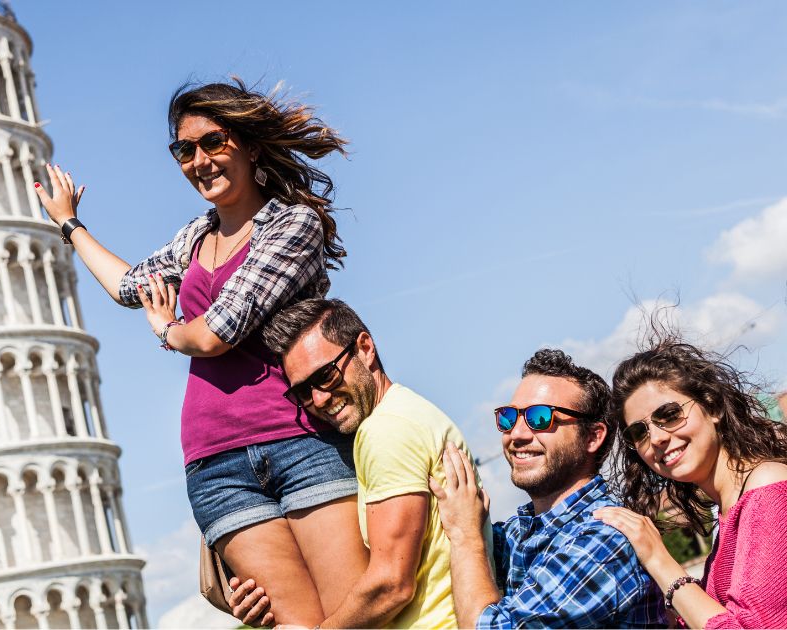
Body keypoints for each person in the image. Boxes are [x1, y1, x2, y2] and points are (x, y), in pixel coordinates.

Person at [35, 79, 367, 626]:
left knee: (354, 615)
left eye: (213, 142)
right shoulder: (192, 239)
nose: (199, 160)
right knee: (297, 625)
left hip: (298, 438)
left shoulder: (292, 226)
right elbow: (128, 288)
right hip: (214, 461)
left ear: (250, 144)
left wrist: (168, 330)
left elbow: (217, 332)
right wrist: (71, 226)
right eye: (184, 150)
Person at [229, 298, 486, 628]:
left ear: (365, 348)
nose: (319, 398)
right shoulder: (410, 414)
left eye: (325, 375)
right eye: (303, 392)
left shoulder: (385, 431)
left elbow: (391, 586)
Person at [430, 349, 665, 628]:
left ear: (592, 436)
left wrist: (466, 537)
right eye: (508, 417)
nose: (516, 434)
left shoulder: (605, 538)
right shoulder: (517, 532)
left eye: (539, 418)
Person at [594, 337, 787, 628]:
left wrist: (657, 557)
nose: (657, 438)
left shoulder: (767, 487)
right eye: (639, 432)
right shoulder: (729, 508)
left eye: (669, 415)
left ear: (712, 407)